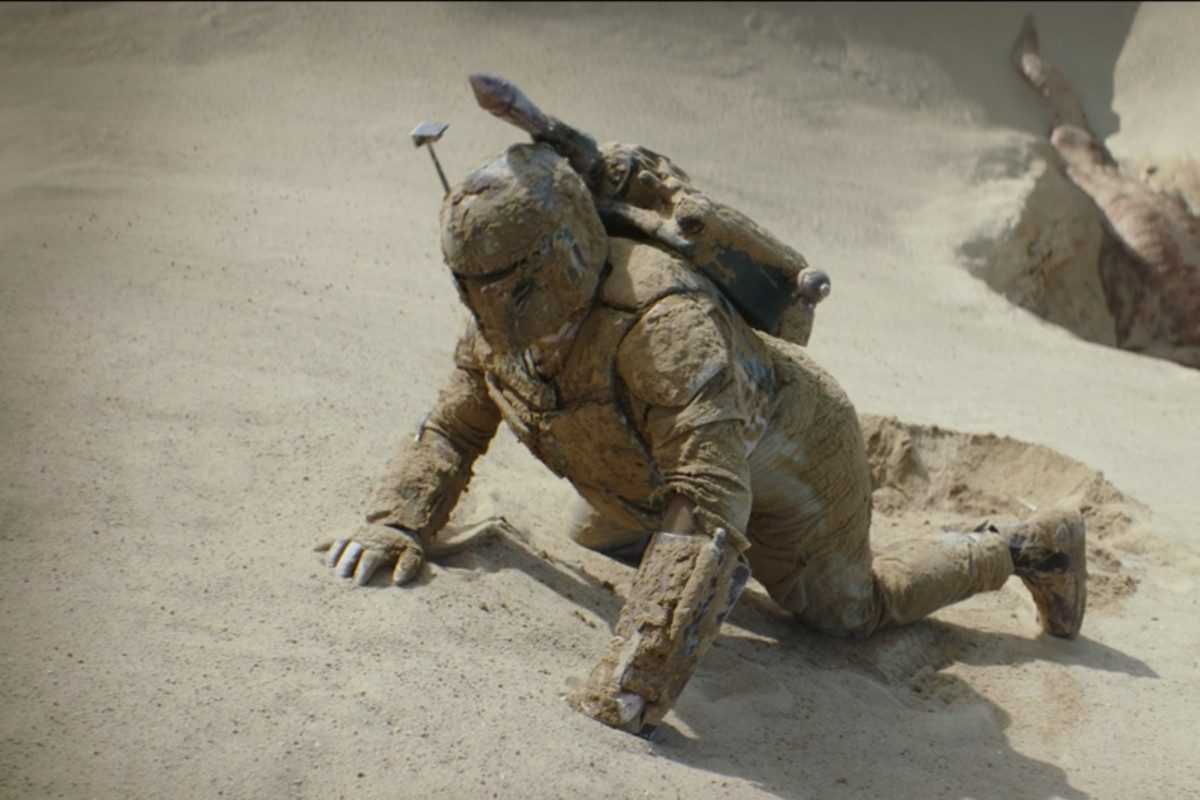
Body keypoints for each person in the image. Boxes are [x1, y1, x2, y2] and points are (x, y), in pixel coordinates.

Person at [319, 142, 1087, 735]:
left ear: (562, 253)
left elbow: (707, 507)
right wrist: (397, 520)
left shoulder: (664, 324)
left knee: (844, 608)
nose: (495, 309)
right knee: (591, 531)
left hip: (794, 449)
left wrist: (637, 677)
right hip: (642, 464)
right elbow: (453, 427)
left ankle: (1023, 547)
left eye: (513, 282)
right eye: (476, 285)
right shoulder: (497, 337)